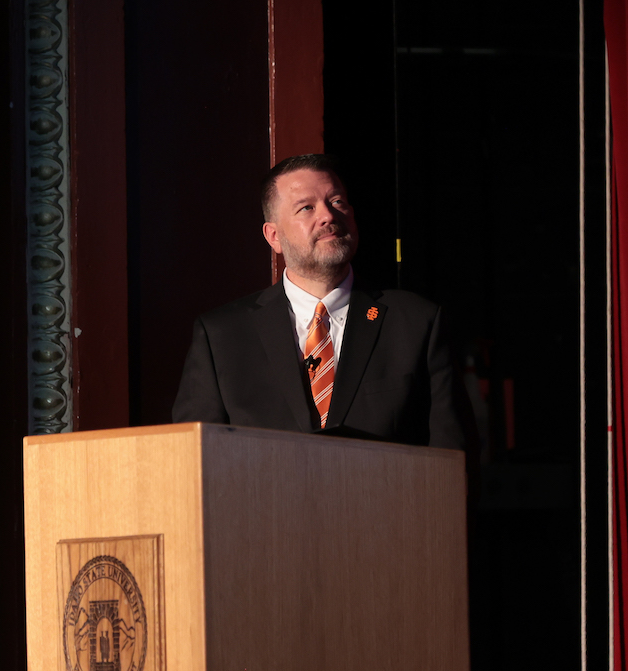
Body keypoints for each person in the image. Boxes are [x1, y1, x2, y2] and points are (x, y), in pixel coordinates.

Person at [172, 153, 469, 451]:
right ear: (274, 236)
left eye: (337, 202)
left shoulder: (416, 322)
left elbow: (455, 461)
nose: (328, 216)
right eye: (306, 208)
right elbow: (191, 461)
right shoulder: (222, 336)